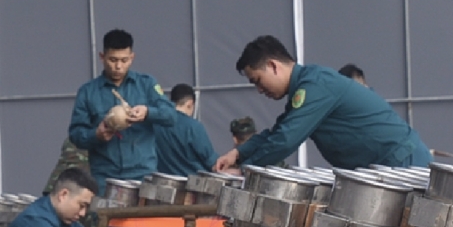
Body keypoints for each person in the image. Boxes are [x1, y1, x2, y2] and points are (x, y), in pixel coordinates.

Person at [214, 36, 431, 171]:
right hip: (384, 168)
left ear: (273, 66)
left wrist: (245, 171)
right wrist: (238, 153)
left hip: (403, 164)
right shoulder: (306, 88)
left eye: (258, 81)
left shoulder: (316, 86)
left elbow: (285, 140)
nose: (260, 90)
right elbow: (279, 131)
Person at [68, 29, 177, 189]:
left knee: (146, 215)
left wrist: (148, 112)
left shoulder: (146, 84)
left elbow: (171, 115)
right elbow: (75, 134)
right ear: (102, 57)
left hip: (143, 175)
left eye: (124, 60)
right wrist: (96, 135)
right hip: (105, 177)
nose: (118, 66)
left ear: (132, 58)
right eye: (113, 60)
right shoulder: (88, 92)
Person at [0, 168, 97, 227]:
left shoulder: (69, 221)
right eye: (81, 205)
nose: (83, 213)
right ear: (63, 195)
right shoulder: (37, 222)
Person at [155, 84, 218, 176]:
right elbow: (211, 161)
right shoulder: (193, 127)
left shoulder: (157, 126)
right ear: (190, 104)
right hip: (194, 185)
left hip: (165, 184)